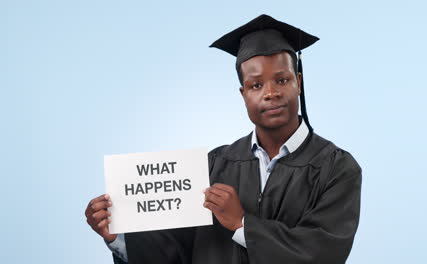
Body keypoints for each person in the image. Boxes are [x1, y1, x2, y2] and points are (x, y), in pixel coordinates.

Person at [85, 14, 362, 264]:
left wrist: (242, 223)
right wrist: (118, 237)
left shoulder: (336, 168)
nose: (270, 93)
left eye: (282, 80)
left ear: (298, 82)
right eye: (256, 85)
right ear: (243, 94)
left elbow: (323, 253)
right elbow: (173, 253)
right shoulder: (211, 166)